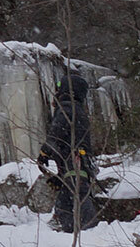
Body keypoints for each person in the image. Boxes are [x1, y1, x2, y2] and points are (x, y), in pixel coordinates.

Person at [41, 68, 100, 233]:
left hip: (75, 163)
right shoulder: (77, 109)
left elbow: (57, 132)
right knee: (68, 198)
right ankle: (69, 230)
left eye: (59, 88)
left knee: (77, 195)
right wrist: (60, 177)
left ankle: (90, 230)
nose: (57, 92)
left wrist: (44, 152)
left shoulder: (67, 108)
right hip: (76, 163)